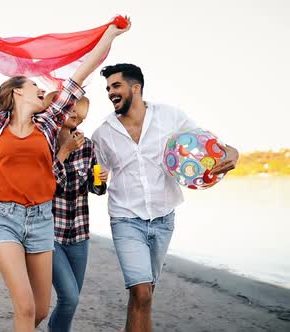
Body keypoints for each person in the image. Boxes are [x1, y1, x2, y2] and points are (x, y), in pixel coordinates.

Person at [0, 16, 130, 332]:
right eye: (34, 85)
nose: (41, 89)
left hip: (42, 221)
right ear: (17, 92)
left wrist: (111, 33)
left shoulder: (48, 126)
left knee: (41, 309)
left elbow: (79, 75)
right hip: (3, 218)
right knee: (26, 306)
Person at [91, 63, 239, 332]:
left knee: (144, 292)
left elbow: (208, 142)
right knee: (142, 293)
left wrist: (233, 152)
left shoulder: (170, 116)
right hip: (126, 219)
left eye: (116, 86)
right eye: (108, 88)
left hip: (163, 217)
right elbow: (98, 183)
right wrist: (96, 182)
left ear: (135, 88)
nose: (110, 92)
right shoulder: (102, 134)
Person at [45, 94, 108, 332]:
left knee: (70, 301)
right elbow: (45, 185)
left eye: (76, 110)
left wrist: (100, 181)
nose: (73, 113)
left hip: (79, 236)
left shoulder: (89, 145)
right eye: (67, 108)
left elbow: (96, 189)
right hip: (50, 235)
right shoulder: (44, 143)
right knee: (69, 297)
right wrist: (64, 151)